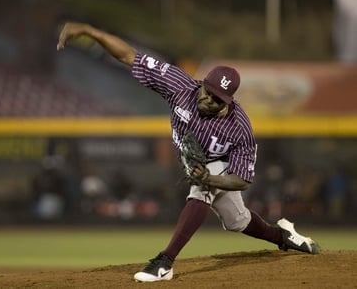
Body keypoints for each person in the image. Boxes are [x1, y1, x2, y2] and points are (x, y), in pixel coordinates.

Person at [57, 22, 319, 282]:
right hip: (197, 162)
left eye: (218, 99)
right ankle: (285, 236)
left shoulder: (240, 128)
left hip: (221, 167)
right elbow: (129, 56)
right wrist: (90, 32)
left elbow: (243, 179)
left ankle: (165, 262)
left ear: (228, 102)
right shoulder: (179, 85)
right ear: (202, 83)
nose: (208, 100)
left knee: (201, 190)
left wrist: (210, 179)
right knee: (237, 221)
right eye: (208, 92)